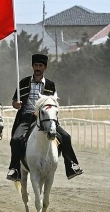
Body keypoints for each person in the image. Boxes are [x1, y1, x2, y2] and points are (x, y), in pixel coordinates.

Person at [7, 53, 84, 181]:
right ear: (32, 66)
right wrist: (17, 104)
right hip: (27, 117)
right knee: (15, 139)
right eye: (36, 65)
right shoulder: (23, 82)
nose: (38, 68)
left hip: (46, 118)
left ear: (45, 67)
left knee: (65, 137)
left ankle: (71, 166)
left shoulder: (50, 85)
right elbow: (14, 102)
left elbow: (54, 102)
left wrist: (44, 112)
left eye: (40, 65)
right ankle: (14, 169)